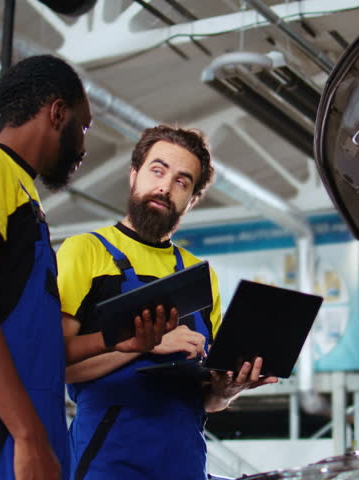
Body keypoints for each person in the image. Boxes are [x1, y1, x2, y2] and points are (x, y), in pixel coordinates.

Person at [0, 55, 175, 480]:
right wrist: (28, 436)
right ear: (58, 113)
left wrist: (119, 342)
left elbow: (34, 346)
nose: (84, 145)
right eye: (84, 125)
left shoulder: (26, 200)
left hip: (26, 421)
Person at [57, 125, 278, 480]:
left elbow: (208, 400)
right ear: (134, 175)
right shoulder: (86, 251)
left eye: (182, 181)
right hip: (107, 462)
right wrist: (145, 346)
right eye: (157, 171)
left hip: (186, 464)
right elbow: (55, 365)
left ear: (191, 199)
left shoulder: (200, 275)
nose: (164, 186)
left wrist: (228, 390)